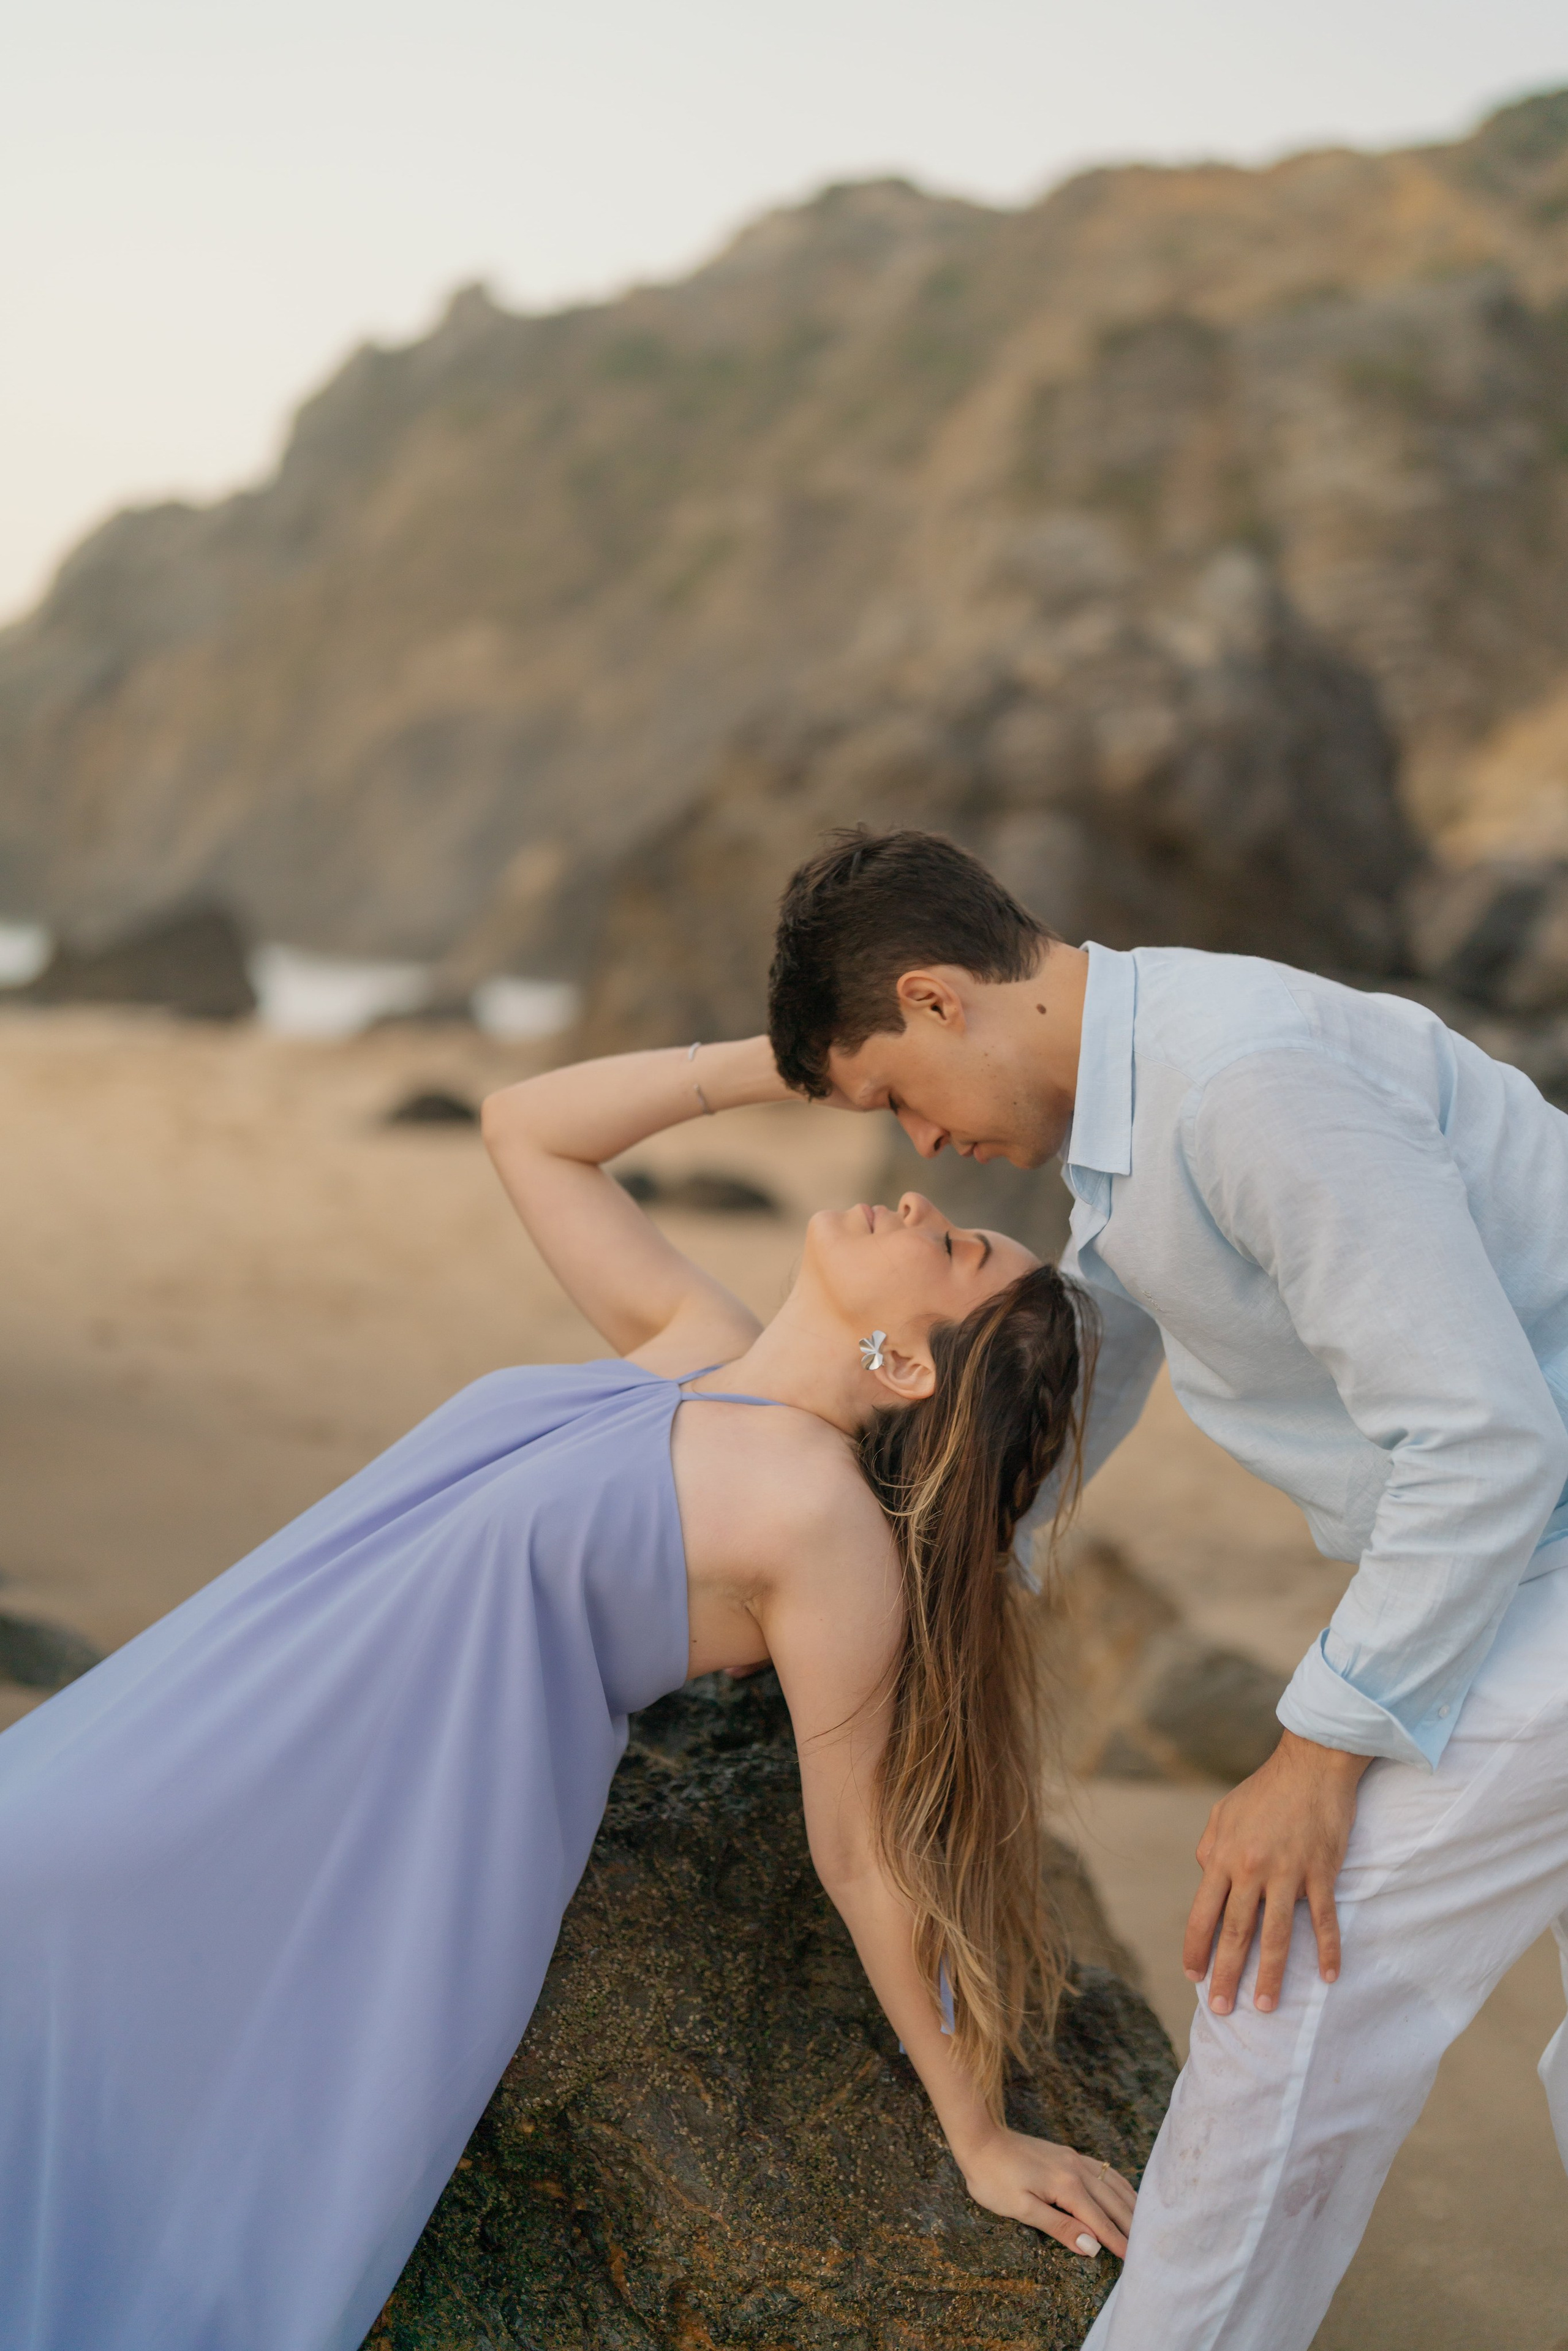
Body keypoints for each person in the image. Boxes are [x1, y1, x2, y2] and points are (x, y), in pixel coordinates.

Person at [0, 1038, 1134, 2351]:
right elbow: (526, 1126)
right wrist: (797, 1059)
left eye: (953, 1254)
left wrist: (978, 2127)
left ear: (905, 1368)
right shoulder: (695, 1348)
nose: (923, 1206)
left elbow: (861, 1846)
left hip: (294, 1825)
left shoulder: (814, 1519)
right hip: (195, 1717)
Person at [767, 825, 1568, 2349]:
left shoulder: (1246, 1082)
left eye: (890, 1094)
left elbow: (1482, 1438)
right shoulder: (1146, 1087)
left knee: (1287, 1984)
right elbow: (1112, 1325)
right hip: (1521, 1546)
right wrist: (948, 1565)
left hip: (1538, 1547)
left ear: (938, 999)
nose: (918, 1147)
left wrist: (1315, 1751)